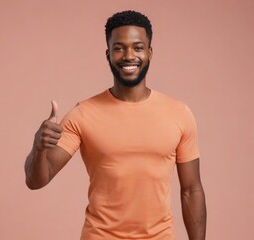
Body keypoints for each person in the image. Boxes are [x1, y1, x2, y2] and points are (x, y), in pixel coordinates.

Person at [25, 10, 207, 240]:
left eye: (138, 47)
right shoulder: (83, 113)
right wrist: (38, 148)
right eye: (119, 48)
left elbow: (192, 190)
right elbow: (36, 181)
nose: (129, 55)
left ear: (150, 53)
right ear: (108, 54)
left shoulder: (179, 113)